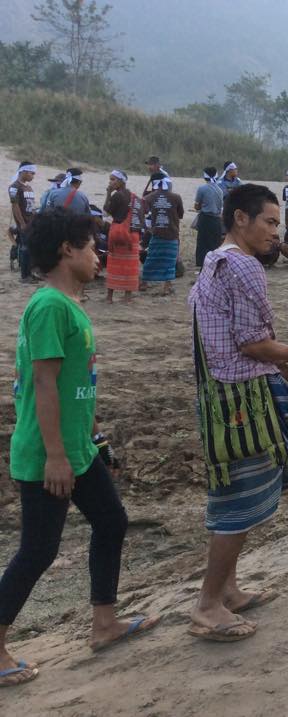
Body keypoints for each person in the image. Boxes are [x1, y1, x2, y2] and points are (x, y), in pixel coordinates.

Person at [0, 211, 162, 688]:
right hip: (47, 453)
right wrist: (55, 456)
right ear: (66, 250)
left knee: (112, 521)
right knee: (38, 551)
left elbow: (77, 382)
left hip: (77, 447)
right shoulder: (50, 306)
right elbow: (43, 383)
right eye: (91, 246)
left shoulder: (70, 303)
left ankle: (104, 623)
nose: (98, 255)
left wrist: (95, 436)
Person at [188, 184, 288, 642]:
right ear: (240, 219)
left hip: (220, 393)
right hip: (241, 402)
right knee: (239, 505)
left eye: (277, 224)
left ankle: (226, 589)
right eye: (268, 222)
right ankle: (208, 604)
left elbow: (227, 337)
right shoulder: (244, 266)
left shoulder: (214, 260)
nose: (275, 232)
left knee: (233, 498)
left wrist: (275, 360)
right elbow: (251, 342)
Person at [103, 170, 143, 303]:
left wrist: (108, 193)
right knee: (129, 267)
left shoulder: (117, 196)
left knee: (114, 265)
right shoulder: (134, 197)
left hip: (118, 234)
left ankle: (109, 297)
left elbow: (106, 212)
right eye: (110, 179)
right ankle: (127, 296)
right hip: (132, 234)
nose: (110, 182)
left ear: (121, 181)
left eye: (113, 179)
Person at [141, 174, 184, 296]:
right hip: (172, 233)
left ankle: (144, 282)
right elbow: (180, 215)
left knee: (151, 258)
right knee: (170, 261)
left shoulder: (150, 197)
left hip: (157, 232)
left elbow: (143, 209)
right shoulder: (176, 197)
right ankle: (167, 286)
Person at [8, 161, 37, 283]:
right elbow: (15, 206)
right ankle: (25, 276)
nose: (33, 176)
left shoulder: (28, 187)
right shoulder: (14, 187)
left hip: (31, 222)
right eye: (31, 173)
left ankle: (30, 273)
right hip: (23, 223)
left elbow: (31, 206)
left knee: (31, 248)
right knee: (25, 248)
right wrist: (22, 223)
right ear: (23, 171)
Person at [193, 167, 224, 268]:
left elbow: (197, 206)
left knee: (203, 243)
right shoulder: (220, 190)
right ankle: (215, 263)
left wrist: (201, 206)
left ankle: (202, 264)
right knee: (214, 243)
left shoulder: (202, 188)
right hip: (217, 220)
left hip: (205, 219)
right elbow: (220, 206)